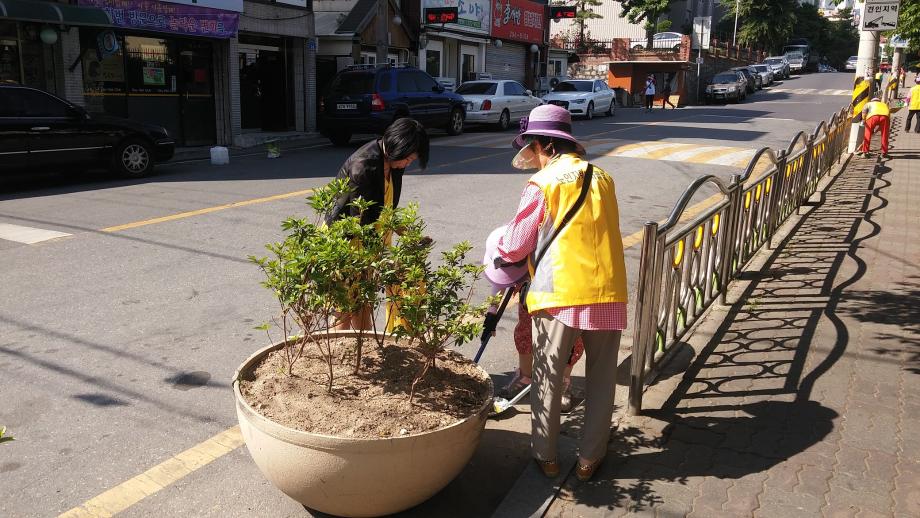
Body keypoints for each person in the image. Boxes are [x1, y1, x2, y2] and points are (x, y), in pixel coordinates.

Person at [498, 104, 628, 482]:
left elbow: (515, 245)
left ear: (544, 146)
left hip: (560, 293)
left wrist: (502, 250)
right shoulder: (603, 176)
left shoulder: (545, 182)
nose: (533, 157)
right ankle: (590, 460)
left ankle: (547, 456)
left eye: (533, 148)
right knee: (602, 379)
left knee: (548, 377)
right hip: (607, 289)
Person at [325, 118, 430, 330]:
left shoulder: (392, 163)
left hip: (373, 244)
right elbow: (360, 225)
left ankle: (360, 356)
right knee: (343, 312)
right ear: (395, 148)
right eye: (408, 159)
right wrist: (387, 262)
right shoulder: (362, 168)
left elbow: (386, 210)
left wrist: (409, 235)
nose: (407, 164)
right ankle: (339, 360)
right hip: (348, 246)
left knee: (364, 307)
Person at [483, 226, 585, 412]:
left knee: (570, 336)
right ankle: (525, 377)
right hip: (530, 289)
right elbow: (499, 283)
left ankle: (562, 383)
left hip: (564, 283)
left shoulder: (547, 246)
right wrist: (491, 315)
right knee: (525, 331)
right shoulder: (508, 248)